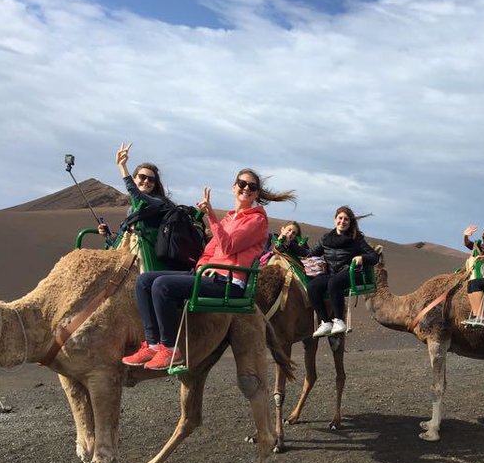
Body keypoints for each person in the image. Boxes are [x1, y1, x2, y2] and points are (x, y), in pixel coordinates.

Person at [122, 169, 296, 370]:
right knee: (144, 281)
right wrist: (202, 268)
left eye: (252, 186)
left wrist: (211, 216)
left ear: (257, 194)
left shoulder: (257, 220)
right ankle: (152, 345)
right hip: (211, 275)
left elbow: (230, 245)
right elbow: (210, 250)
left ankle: (170, 349)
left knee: (162, 285)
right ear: (234, 187)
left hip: (230, 282)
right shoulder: (230, 218)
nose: (246, 188)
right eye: (242, 184)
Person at [307, 206, 379, 337]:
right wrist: (290, 244)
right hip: (332, 274)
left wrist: (362, 257)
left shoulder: (356, 239)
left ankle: (339, 320)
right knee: (313, 286)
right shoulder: (326, 239)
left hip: (351, 273)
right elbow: (310, 254)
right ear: (335, 220)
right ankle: (326, 322)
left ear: (350, 223)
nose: (342, 221)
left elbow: (374, 257)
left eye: (346, 219)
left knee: (334, 282)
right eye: (340, 218)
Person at [98, 142, 173, 240]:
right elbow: (122, 240)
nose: (146, 181)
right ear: (134, 180)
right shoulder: (132, 210)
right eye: (142, 177)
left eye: (151, 179)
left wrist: (122, 166)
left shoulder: (160, 203)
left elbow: (137, 194)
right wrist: (108, 235)